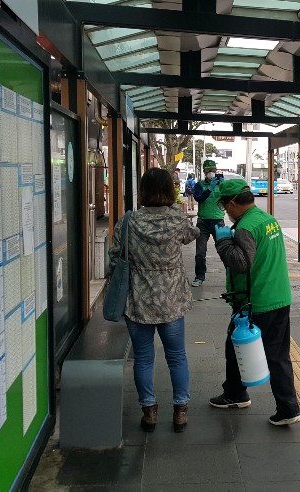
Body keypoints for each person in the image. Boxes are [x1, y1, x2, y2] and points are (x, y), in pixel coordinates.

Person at [107, 168, 200, 433]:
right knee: (177, 357)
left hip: (137, 300)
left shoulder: (128, 221)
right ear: (170, 191)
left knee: (144, 359)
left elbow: (115, 258)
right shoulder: (178, 220)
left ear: (143, 190)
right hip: (171, 299)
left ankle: (149, 412)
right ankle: (180, 412)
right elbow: (191, 236)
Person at [207, 179, 300, 426]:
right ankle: (287, 407)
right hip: (280, 296)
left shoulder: (245, 228)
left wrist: (223, 242)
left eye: (226, 207)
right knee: (278, 355)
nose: (225, 212)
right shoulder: (267, 219)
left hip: (256, 301)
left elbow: (241, 263)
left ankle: (236, 394)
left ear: (232, 203)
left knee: (237, 347)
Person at [190, 160, 225, 287]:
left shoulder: (221, 184)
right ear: (204, 172)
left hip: (218, 222)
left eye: (213, 170)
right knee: (200, 252)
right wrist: (209, 189)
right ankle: (199, 276)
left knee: (225, 250)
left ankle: (232, 276)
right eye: (208, 170)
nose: (211, 173)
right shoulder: (199, 185)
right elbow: (199, 198)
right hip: (203, 222)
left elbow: (228, 199)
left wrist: (224, 187)